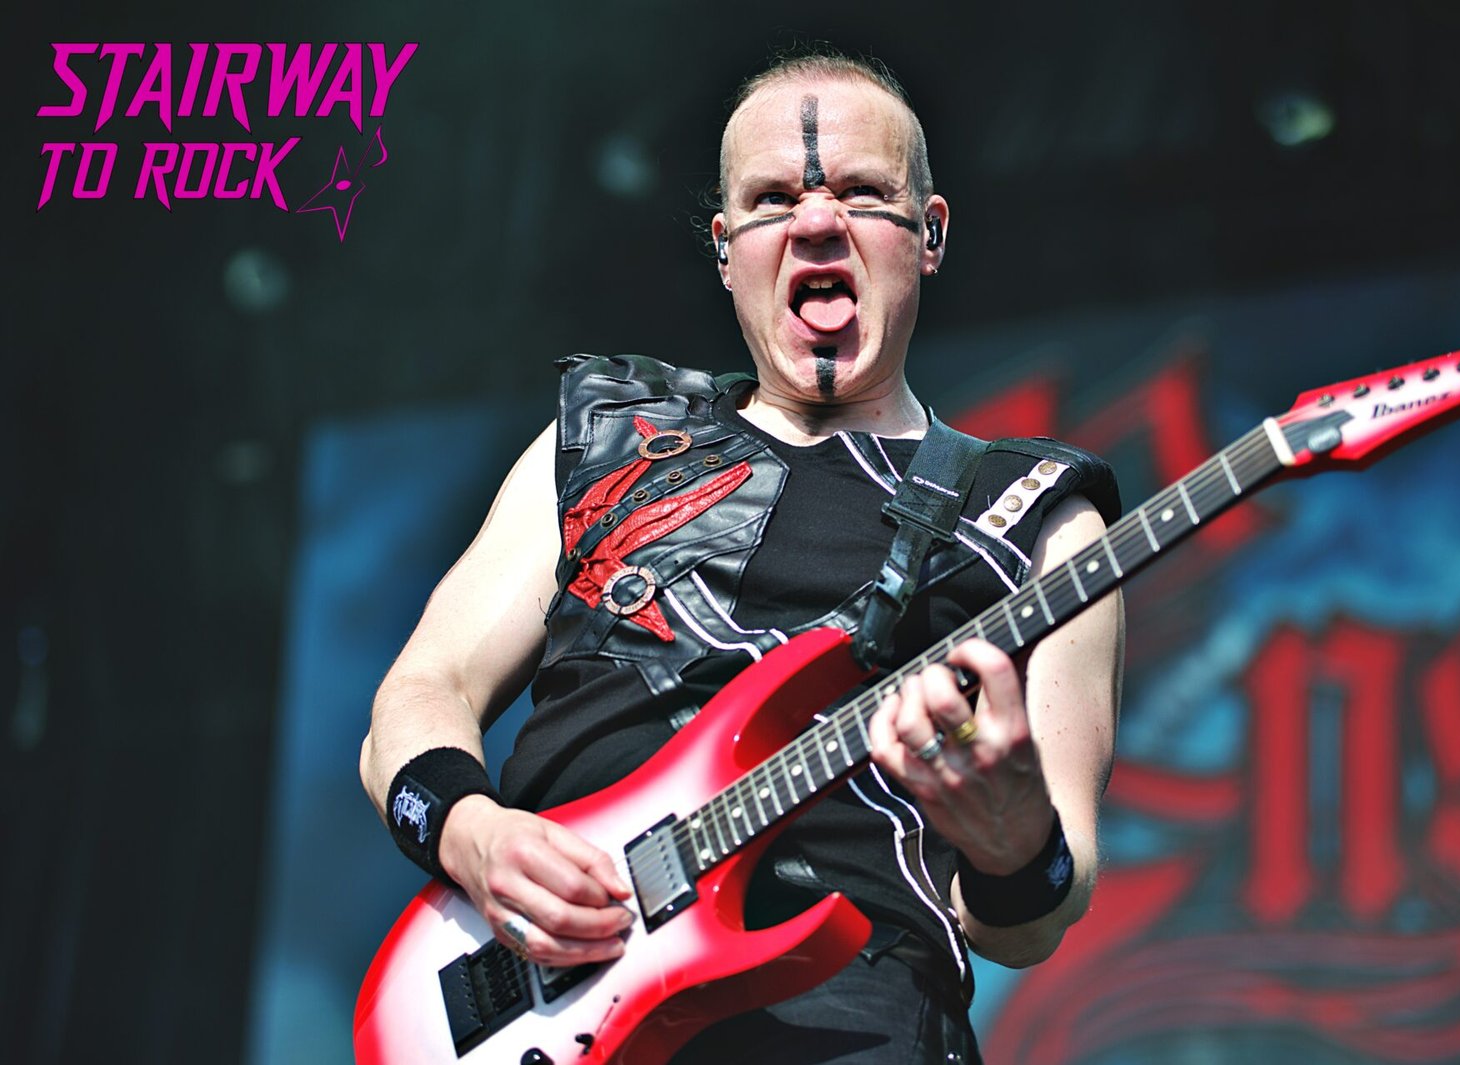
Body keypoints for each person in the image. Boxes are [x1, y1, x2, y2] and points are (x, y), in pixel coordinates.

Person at [360, 50, 1123, 1064]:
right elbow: (422, 691)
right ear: (725, 250)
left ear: (929, 234)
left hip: (856, 1024)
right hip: (554, 1016)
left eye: (862, 192)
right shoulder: (605, 437)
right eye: (773, 200)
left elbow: (1032, 923)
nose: (817, 223)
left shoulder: (1035, 516)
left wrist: (1012, 838)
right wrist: (471, 832)